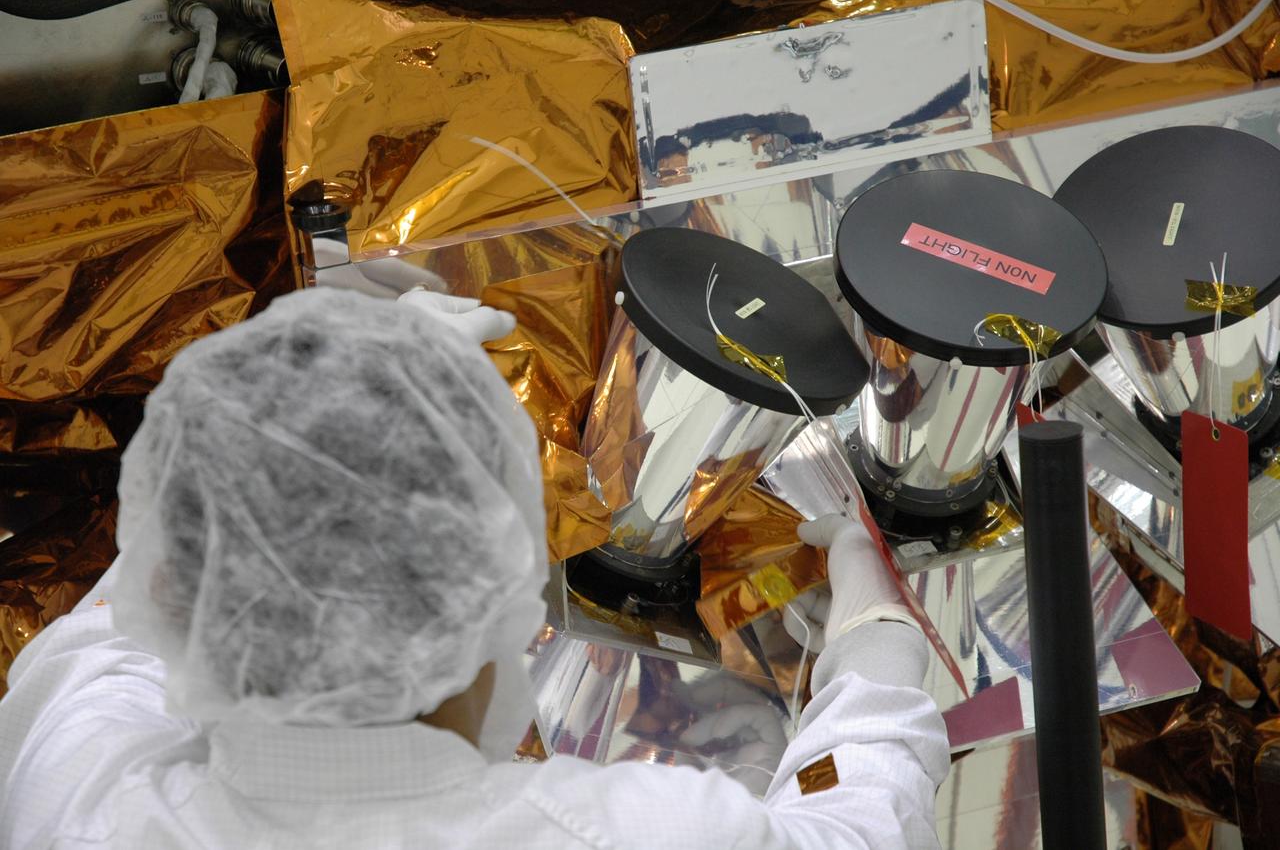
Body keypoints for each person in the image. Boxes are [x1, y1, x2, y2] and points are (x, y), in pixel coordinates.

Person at [0, 287, 948, 849]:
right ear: (495, 600)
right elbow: (854, 827)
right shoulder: (615, 835)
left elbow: (104, 644)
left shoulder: (79, 800)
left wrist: (309, 404)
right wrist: (880, 644)